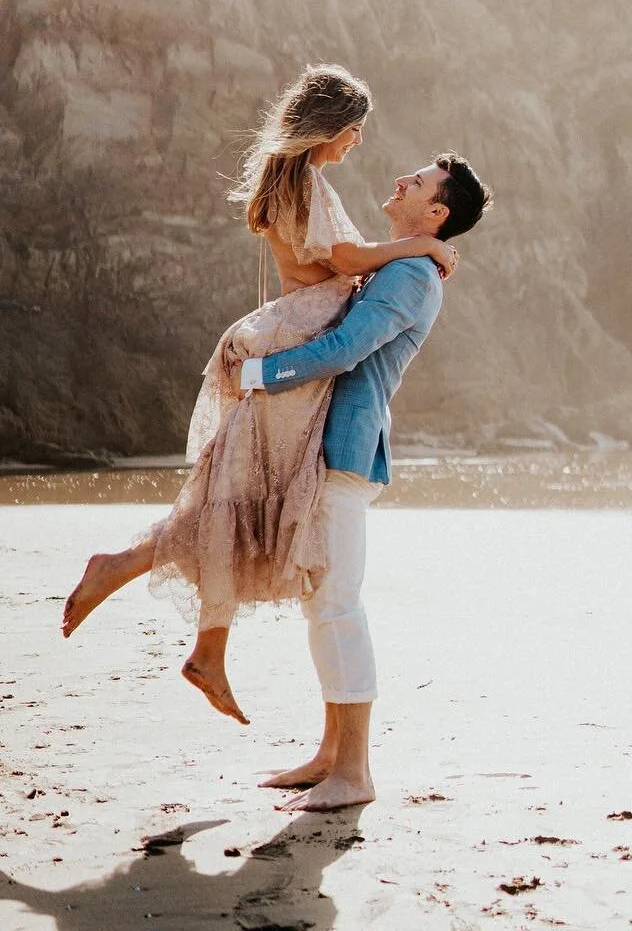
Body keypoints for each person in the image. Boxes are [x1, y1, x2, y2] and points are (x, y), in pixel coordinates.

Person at [61, 65, 458, 726]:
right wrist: (423, 245)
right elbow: (349, 260)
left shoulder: (287, 177)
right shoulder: (307, 181)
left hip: (283, 333)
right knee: (239, 497)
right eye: (354, 133)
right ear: (332, 128)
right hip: (293, 341)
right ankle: (133, 577)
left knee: (237, 493)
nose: (356, 147)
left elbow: (339, 261)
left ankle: (204, 646)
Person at [247, 151, 492, 812]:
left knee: (338, 605)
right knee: (323, 603)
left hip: (347, 449)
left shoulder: (413, 272)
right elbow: (344, 263)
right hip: (333, 446)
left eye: (415, 182)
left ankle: (353, 772)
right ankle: (330, 755)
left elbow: (344, 350)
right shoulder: (411, 260)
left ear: (435, 212)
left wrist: (255, 374)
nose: (400, 180)